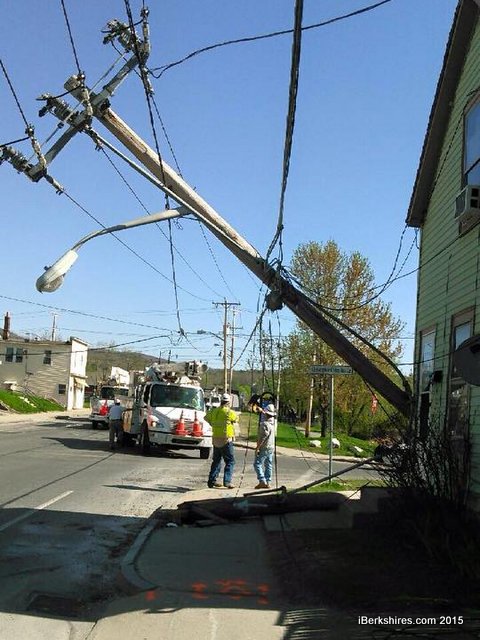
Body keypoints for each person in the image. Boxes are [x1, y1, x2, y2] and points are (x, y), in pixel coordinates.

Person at [205, 392, 238, 489]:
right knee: (230, 461)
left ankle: (211, 481)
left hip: (215, 439)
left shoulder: (214, 411)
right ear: (228, 402)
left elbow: (206, 418)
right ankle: (227, 482)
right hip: (226, 439)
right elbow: (236, 419)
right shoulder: (229, 412)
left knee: (216, 460)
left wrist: (212, 424)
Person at [253, 403, 277, 489]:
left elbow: (263, 437)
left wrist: (258, 447)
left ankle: (262, 480)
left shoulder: (265, 424)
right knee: (268, 464)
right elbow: (267, 415)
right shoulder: (274, 423)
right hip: (271, 446)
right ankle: (268, 482)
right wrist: (262, 411)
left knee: (257, 463)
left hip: (265, 446)